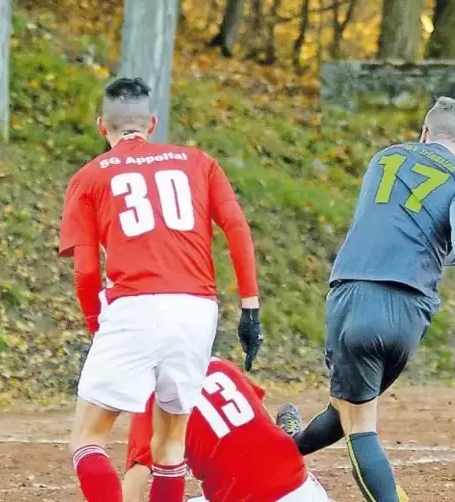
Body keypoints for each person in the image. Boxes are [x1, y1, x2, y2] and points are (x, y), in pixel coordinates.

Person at [276, 96, 455, 502]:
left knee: (355, 417)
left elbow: (404, 231)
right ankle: (281, 452)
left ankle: (278, 452)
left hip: (351, 294)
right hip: (405, 310)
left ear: (423, 133)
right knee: (346, 409)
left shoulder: (384, 159)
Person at [58, 77, 263, 502]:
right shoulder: (199, 162)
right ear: (152, 123)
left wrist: (96, 324)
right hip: (195, 309)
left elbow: (84, 272)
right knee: (170, 447)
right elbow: (237, 227)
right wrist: (250, 308)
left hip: (133, 305)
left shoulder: (89, 176)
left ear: (102, 126)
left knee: (87, 439)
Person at [122, 357, 331, 502]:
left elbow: (132, 492)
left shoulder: (152, 397)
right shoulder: (222, 367)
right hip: (304, 490)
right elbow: (259, 425)